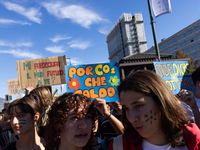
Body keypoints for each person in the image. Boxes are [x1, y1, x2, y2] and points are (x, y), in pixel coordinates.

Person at [108, 70, 200, 150]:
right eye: (126, 109)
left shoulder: (194, 140)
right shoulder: (119, 146)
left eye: (139, 106)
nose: (132, 118)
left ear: (161, 102)